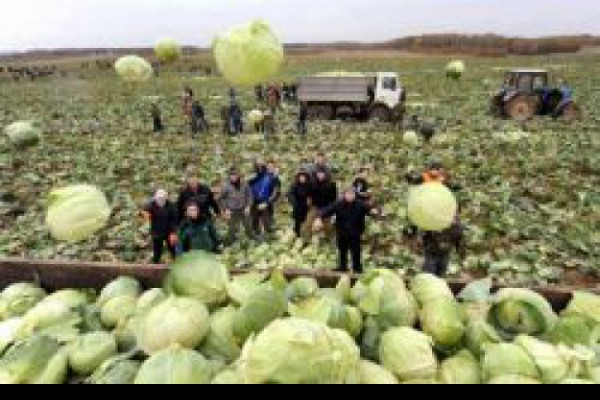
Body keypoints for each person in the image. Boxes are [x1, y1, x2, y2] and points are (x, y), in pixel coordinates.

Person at [314, 188, 379, 273]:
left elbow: (371, 210)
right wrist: (319, 218)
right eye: (348, 194)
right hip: (342, 232)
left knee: (356, 252)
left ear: (355, 195)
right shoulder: (338, 204)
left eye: (352, 194)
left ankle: (357, 270)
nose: (350, 196)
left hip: (355, 232)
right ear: (344, 195)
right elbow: (327, 211)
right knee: (342, 251)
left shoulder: (360, 204)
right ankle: (342, 267)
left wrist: (375, 211)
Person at [142, 189, 178, 264]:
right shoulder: (151, 205)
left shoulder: (171, 206)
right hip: (157, 232)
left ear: (166, 198)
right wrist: (144, 214)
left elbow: (174, 220)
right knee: (157, 251)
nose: (161, 200)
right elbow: (144, 212)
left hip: (169, 231)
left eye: (162, 198)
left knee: (173, 249)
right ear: (155, 198)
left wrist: (173, 232)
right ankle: (155, 264)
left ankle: (177, 263)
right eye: (159, 198)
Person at [220, 168, 254, 244]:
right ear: (229, 176)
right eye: (232, 175)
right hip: (232, 210)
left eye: (235, 175)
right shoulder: (225, 185)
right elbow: (222, 199)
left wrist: (248, 206)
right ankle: (229, 243)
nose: (233, 177)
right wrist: (226, 209)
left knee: (248, 226)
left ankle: (252, 239)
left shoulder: (244, 183)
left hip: (243, 208)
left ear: (238, 175)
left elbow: (250, 195)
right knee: (232, 228)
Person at [248, 162, 280, 237]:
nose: (270, 168)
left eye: (272, 167)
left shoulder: (275, 179)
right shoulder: (257, 176)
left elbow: (276, 193)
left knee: (267, 223)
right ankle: (257, 235)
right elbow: (247, 187)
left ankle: (270, 237)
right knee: (254, 222)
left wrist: (267, 203)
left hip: (265, 203)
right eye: (268, 167)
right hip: (254, 201)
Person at [287, 171, 312, 237]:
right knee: (297, 221)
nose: (302, 179)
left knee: (306, 220)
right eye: (301, 177)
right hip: (297, 204)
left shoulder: (309, 185)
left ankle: (305, 234)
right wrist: (294, 202)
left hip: (307, 205)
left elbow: (313, 193)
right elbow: (290, 194)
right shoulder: (295, 185)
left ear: (306, 178)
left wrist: (310, 199)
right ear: (298, 178)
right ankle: (297, 233)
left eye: (304, 177)